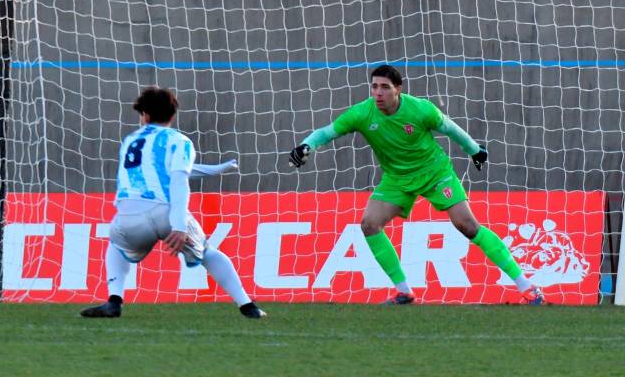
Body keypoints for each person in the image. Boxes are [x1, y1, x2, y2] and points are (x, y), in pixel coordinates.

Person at [288, 65, 544, 305]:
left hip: (434, 173)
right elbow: (326, 132)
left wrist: (474, 150)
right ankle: (404, 290)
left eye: (385, 87)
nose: (378, 92)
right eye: (375, 86)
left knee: (467, 225)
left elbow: (451, 129)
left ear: (398, 89)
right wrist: (306, 145)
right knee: (369, 224)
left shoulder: (421, 109)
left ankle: (526, 286)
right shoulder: (362, 113)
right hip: (397, 178)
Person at [81, 86, 266, 318]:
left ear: (145, 115)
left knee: (116, 246)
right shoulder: (179, 140)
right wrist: (178, 226)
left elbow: (165, 171)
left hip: (128, 217)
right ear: (172, 115)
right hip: (165, 213)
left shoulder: (131, 140)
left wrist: (213, 169)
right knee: (207, 252)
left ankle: (114, 300)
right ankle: (248, 306)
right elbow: (178, 177)